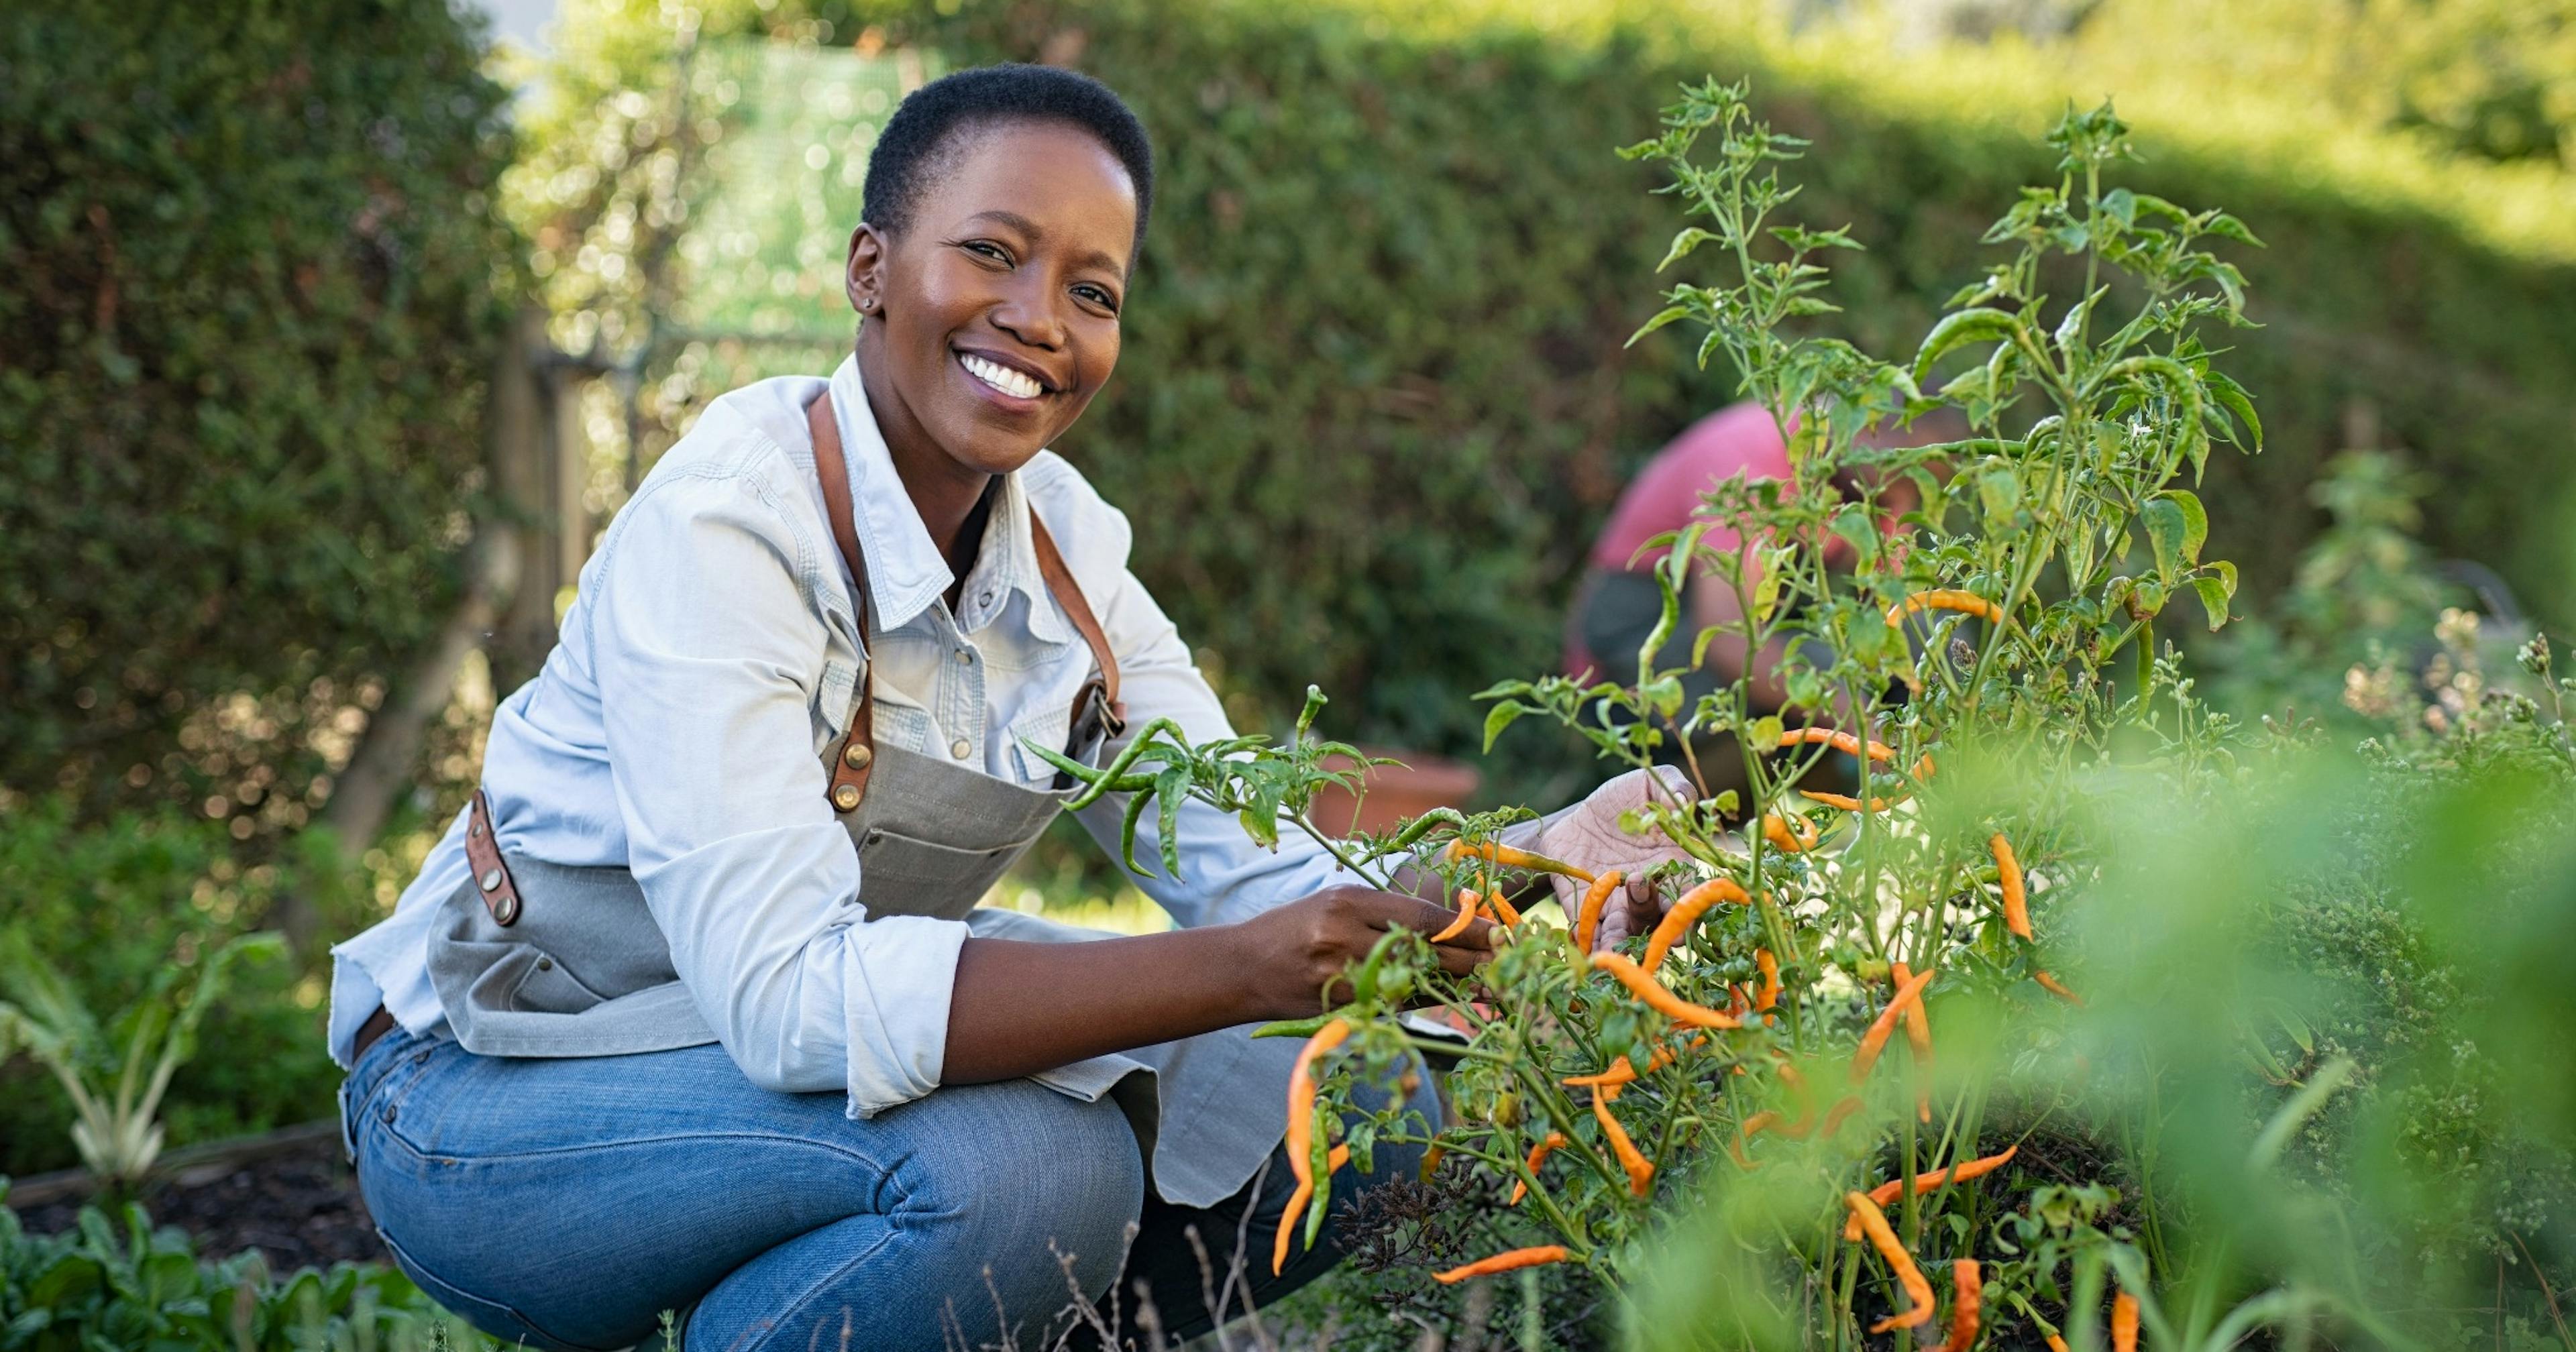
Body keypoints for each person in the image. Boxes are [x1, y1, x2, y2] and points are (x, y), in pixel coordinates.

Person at [331, 65, 1682, 1352]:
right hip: (496, 1097)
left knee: (1372, 1097)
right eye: (991, 252)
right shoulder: (726, 533)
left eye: (1092, 290)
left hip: (756, 1090)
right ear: (868, 270)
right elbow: (789, 1001)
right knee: (1033, 1174)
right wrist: (1252, 969)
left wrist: (1526, 874)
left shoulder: (1070, 563)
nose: (1040, 315)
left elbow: (1261, 866)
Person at [1565, 401, 1957, 732]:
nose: (1905, 496)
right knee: (1821, 682)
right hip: (1635, 633)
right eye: (1902, 474)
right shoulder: (1750, 461)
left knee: (1934, 641)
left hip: (1747, 623)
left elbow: (1899, 604)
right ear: (1865, 433)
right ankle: (1696, 808)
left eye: (1923, 483)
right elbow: (1726, 638)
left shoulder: (1875, 486)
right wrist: (1855, 718)